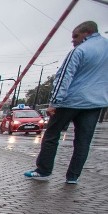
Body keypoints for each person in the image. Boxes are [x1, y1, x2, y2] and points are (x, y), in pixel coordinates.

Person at [24, 21, 108, 185]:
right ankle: (73, 176)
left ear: (87, 33)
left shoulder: (79, 51)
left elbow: (64, 77)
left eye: (75, 36)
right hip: (95, 104)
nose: (73, 41)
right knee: (83, 141)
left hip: (70, 100)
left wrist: (54, 102)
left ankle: (43, 170)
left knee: (51, 135)